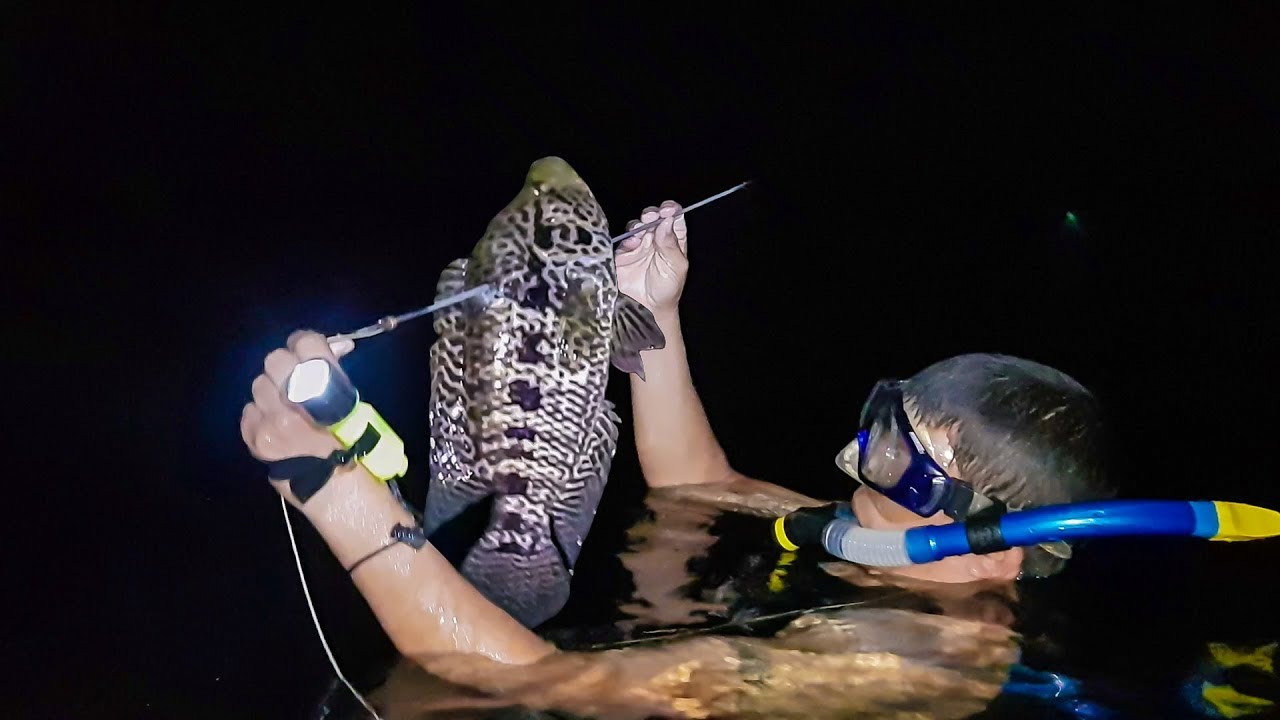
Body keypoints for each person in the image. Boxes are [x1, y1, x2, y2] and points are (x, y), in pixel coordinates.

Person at [239, 200, 1113, 684]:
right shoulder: (878, 535)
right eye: (881, 418)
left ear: (1002, 550)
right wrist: (655, 312)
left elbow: (545, 685)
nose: (858, 456)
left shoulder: (924, 660)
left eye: (901, 462)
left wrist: (336, 493)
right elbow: (696, 480)